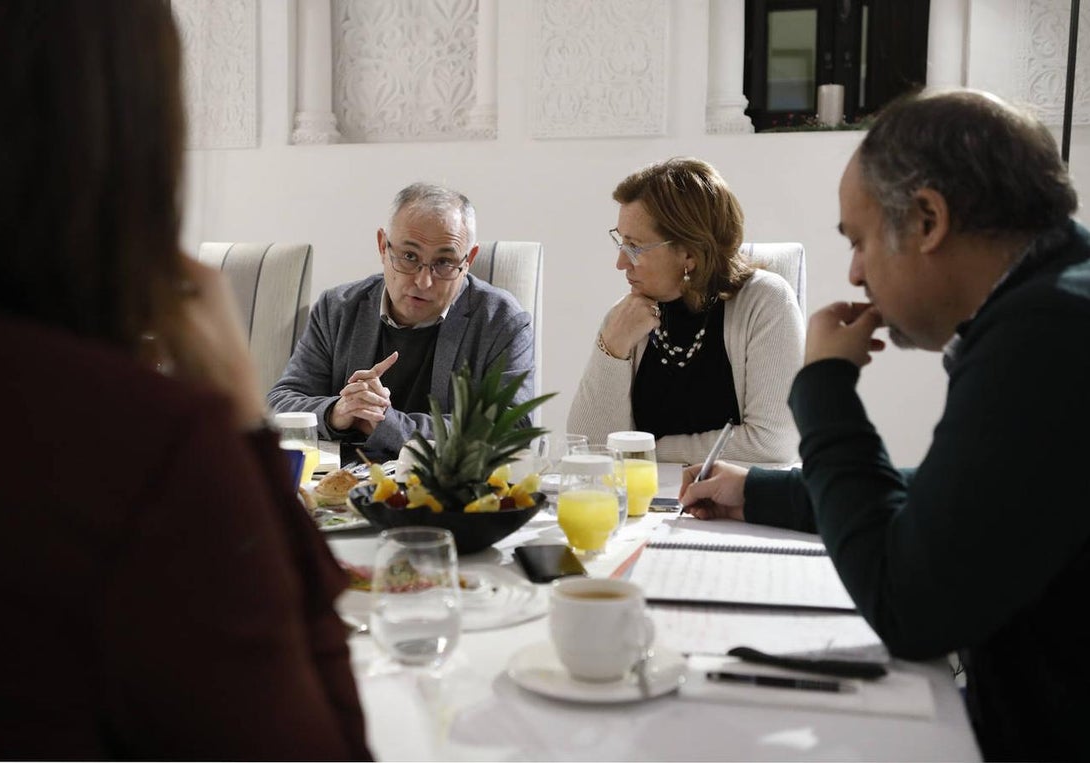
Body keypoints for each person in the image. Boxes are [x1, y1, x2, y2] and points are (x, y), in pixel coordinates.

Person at [0, 2, 370, 759]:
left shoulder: (496, 318)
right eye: (406, 253)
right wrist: (265, 421)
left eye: (442, 260)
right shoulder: (146, 444)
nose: (421, 273)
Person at [679, 89, 1090, 761]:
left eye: (861, 240)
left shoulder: (1045, 334)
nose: (856, 272)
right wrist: (762, 490)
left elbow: (909, 609)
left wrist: (823, 386)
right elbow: (958, 503)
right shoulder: (1058, 296)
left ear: (927, 218)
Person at [267, 182, 535, 462]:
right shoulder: (338, 308)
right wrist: (339, 411)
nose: (423, 281)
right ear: (383, 246)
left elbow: (511, 429)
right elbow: (280, 403)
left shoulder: (503, 322)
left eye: (444, 262)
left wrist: (389, 425)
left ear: (468, 260)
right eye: (409, 257)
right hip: (341, 489)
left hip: (452, 496)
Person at [567, 157, 804, 465]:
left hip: (732, 509)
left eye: (635, 246)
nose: (621, 263)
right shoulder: (627, 317)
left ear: (690, 253)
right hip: (645, 508)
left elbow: (772, 443)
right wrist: (612, 348)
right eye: (620, 242)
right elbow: (590, 449)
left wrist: (643, 453)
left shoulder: (766, 302)